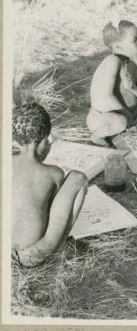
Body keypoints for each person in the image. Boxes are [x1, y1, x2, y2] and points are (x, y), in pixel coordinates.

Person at [12, 103, 89, 267]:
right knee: (77, 178)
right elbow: (51, 214)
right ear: (45, 140)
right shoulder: (54, 174)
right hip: (31, 256)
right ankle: (58, 246)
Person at [87, 19, 137, 146]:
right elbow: (106, 96)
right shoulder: (112, 61)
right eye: (135, 40)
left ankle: (127, 126)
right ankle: (98, 135)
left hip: (127, 114)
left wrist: (133, 88)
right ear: (118, 46)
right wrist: (126, 114)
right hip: (105, 117)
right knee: (120, 122)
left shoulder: (131, 65)